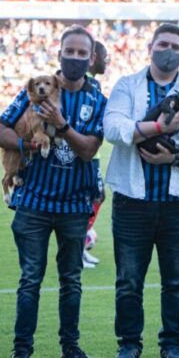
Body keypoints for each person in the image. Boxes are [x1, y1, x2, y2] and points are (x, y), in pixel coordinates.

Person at [0, 25, 107, 358]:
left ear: (91, 58)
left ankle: (69, 347)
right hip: (34, 204)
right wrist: (30, 145)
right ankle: (21, 352)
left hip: (73, 206)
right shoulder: (31, 94)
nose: (74, 58)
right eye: (68, 52)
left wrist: (61, 124)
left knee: (71, 280)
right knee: (30, 279)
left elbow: (88, 151)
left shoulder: (97, 100)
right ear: (59, 54)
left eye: (81, 53)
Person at [103, 23, 179, 358]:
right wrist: (157, 129)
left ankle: (172, 345)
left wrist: (178, 156)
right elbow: (112, 127)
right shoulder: (128, 85)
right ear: (150, 47)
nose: (168, 50)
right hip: (131, 199)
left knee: (176, 281)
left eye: (175, 46)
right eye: (162, 44)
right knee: (128, 280)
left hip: (178, 202)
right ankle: (129, 345)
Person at [83, 40, 108, 268]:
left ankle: (82, 243)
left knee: (98, 197)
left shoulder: (93, 84)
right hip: (87, 157)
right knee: (93, 198)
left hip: (93, 156)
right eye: (104, 56)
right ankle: (80, 245)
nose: (106, 61)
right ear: (93, 58)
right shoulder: (89, 85)